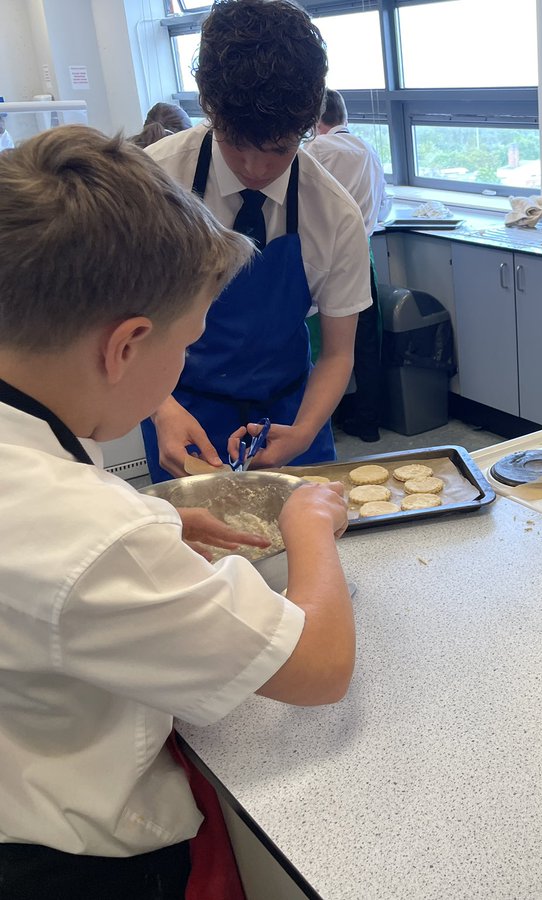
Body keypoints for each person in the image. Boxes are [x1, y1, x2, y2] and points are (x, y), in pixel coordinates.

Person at [0, 125, 354, 898]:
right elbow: (318, 669)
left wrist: (148, 519)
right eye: (188, 340)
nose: (187, 362)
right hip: (75, 864)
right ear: (126, 345)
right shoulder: (91, 539)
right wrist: (307, 522)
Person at [142, 0, 371, 481]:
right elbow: (115, 318)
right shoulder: (151, 184)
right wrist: (159, 406)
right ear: (210, 110)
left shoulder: (334, 215)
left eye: (279, 149)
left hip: (290, 411)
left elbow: (337, 354)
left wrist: (305, 430)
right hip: (175, 404)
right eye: (236, 144)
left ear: (309, 126)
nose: (255, 169)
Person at [306, 88, 390, 441]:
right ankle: (368, 422)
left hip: (320, 262)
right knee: (366, 344)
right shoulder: (368, 149)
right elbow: (383, 205)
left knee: (320, 348)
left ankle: (318, 423)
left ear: (314, 119)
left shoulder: (313, 151)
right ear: (343, 116)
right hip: (362, 257)